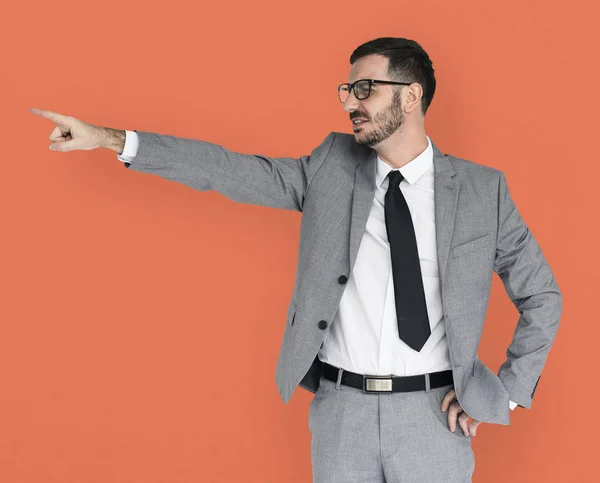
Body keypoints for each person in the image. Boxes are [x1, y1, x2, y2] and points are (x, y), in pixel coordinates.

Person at [30, 37, 562, 482]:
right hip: (341, 415)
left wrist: (504, 396)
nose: (350, 102)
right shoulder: (331, 168)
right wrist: (111, 139)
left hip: (433, 419)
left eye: (364, 89)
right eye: (346, 91)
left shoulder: (480, 191)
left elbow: (542, 295)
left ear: (412, 95)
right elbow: (228, 169)